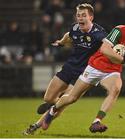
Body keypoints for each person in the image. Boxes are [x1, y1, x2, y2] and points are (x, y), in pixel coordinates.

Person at [41, 9, 125, 133]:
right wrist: (121, 59)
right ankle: (52, 110)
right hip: (95, 66)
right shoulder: (119, 30)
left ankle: (96, 121)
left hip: (112, 71)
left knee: (115, 89)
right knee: (72, 98)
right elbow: (104, 49)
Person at [24, 3, 107, 135]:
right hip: (70, 66)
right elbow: (69, 35)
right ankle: (52, 106)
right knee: (48, 98)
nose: (80, 18)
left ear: (91, 17)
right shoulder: (74, 28)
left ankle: (36, 126)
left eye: (83, 15)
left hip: (85, 72)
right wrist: (61, 42)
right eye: (78, 15)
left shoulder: (100, 34)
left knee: (66, 100)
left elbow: (108, 46)